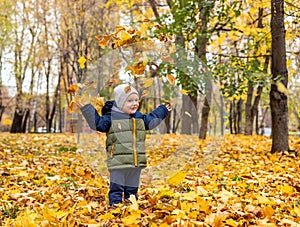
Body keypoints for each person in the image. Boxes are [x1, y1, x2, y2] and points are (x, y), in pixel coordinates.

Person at [76, 84, 171, 206]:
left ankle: (131, 207)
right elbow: (98, 123)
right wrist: (87, 108)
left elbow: (151, 120)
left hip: (135, 162)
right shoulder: (111, 118)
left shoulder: (139, 118)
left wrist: (162, 110)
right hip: (118, 162)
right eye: (130, 101)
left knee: (132, 189)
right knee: (116, 188)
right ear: (120, 103)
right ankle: (115, 208)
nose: (135, 103)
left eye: (136, 100)